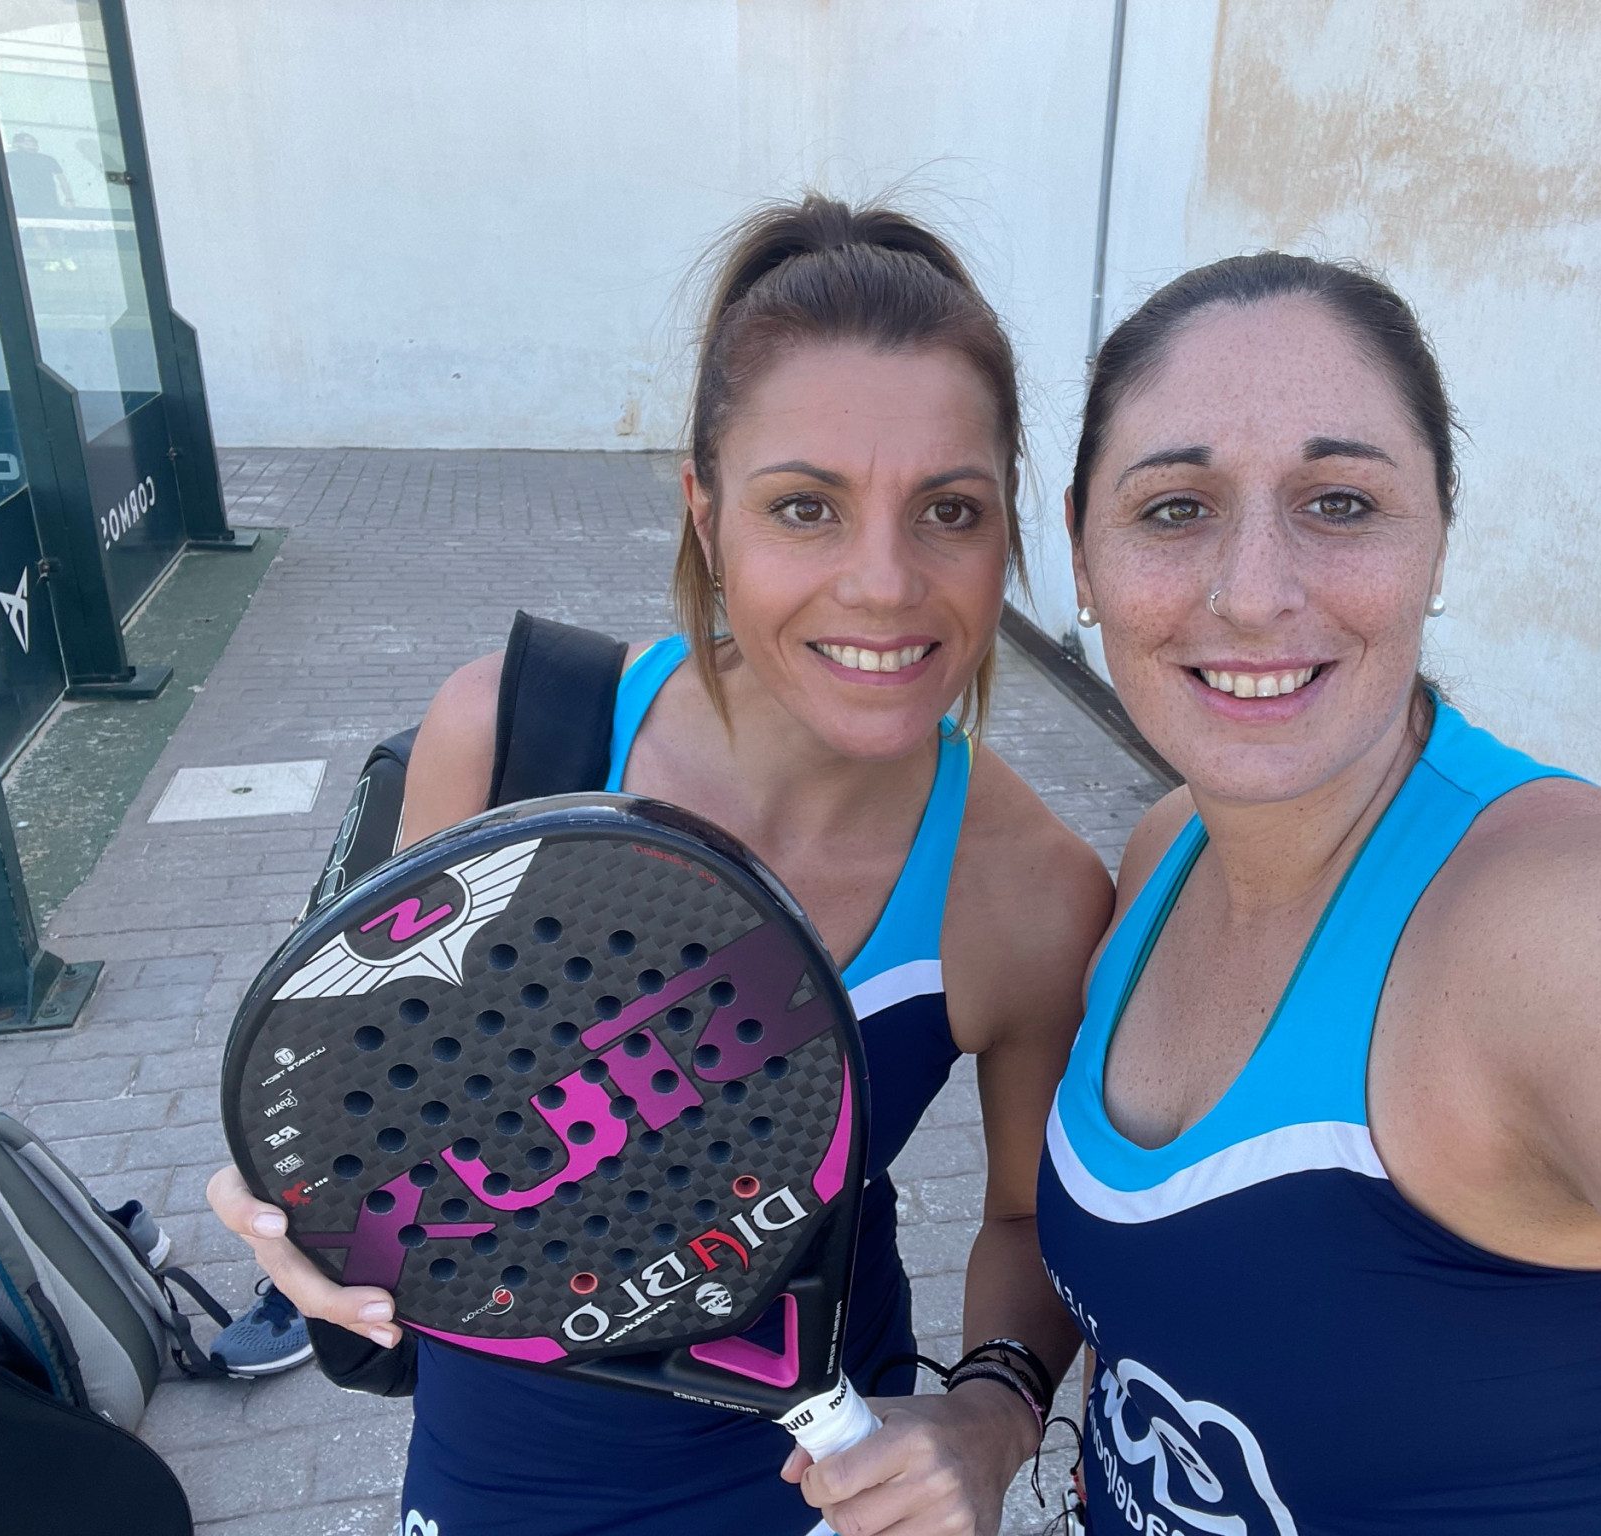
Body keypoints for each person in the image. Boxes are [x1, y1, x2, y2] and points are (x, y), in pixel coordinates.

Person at [208, 196, 1109, 1536]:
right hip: (495, 1479)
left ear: (1005, 534)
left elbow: (1029, 1222)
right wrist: (283, 1209)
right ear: (704, 515)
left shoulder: (1029, 892)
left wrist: (989, 1416)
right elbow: (348, 1098)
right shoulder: (514, 739)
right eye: (804, 506)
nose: (882, 582)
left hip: (826, 1486)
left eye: (948, 510)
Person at [1040, 254, 1601, 1534]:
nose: (1251, 593)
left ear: (1436, 541)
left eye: (1340, 503)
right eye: (1172, 508)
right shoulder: (1164, 856)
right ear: (1081, 556)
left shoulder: (1583, 944)